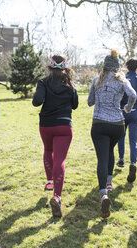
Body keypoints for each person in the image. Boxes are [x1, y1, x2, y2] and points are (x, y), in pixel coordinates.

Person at [88, 49, 137, 218]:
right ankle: (109, 183)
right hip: (117, 124)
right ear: (117, 67)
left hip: (100, 123)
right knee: (110, 151)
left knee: (102, 157)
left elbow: (90, 102)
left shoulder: (97, 80)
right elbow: (133, 95)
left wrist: (99, 96)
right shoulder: (122, 80)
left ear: (104, 66)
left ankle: (103, 194)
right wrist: (128, 108)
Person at [32, 54, 78, 218]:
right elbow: (75, 105)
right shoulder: (70, 84)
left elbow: (37, 101)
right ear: (65, 68)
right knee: (60, 160)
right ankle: (57, 196)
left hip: (46, 125)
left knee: (47, 150)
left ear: (50, 67)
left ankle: (50, 181)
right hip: (64, 126)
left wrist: (39, 95)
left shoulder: (43, 82)